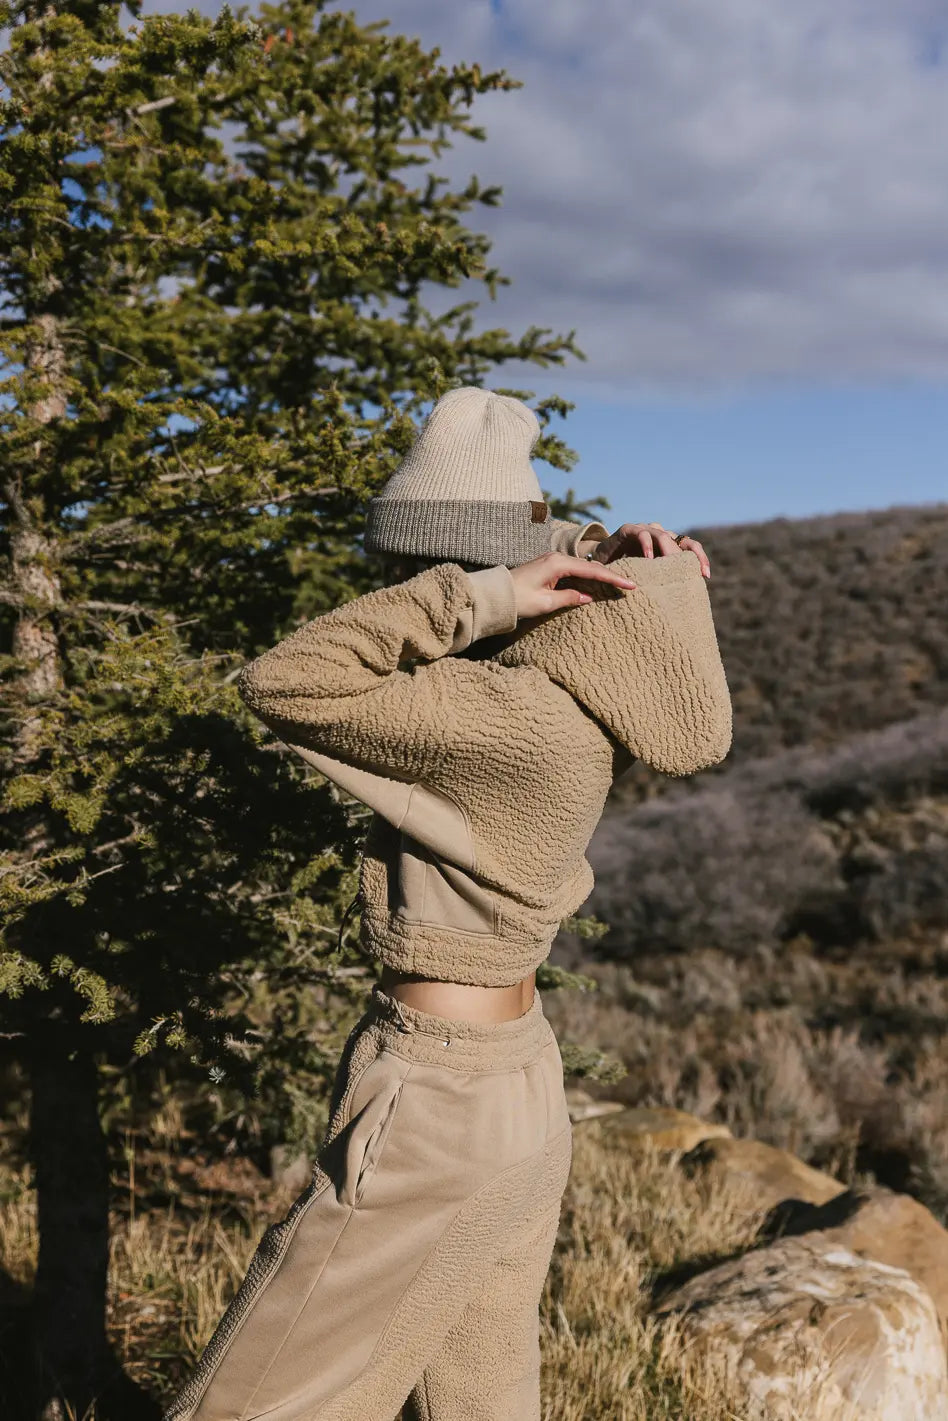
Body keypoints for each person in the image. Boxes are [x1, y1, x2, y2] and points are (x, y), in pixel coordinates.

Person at [163, 388, 731, 1421]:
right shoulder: (568, 695)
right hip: (521, 1084)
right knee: (481, 1397)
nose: (402, 588)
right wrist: (599, 560)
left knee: (243, 1405)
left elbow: (284, 680)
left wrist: (482, 596)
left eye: (415, 569)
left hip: (436, 1095)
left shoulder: (494, 711)